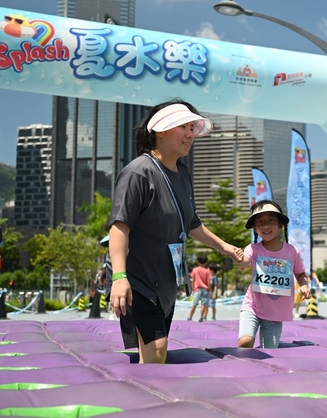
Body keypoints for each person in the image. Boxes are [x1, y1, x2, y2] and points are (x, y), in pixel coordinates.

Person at [108, 99, 244, 364]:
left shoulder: (182, 174)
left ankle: (140, 388)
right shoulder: (138, 172)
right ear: (160, 130)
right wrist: (119, 277)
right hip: (139, 280)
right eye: (183, 127)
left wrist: (226, 248)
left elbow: (191, 223)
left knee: (152, 353)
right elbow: (119, 226)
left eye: (193, 128)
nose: (190, 134)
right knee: (157, 349)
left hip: (167, 282)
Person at [237, 200, 310, 349]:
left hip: (275, 314)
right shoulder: (253, 249)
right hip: (252, 306)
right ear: (254, 227)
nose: (266, 225)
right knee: (245, 342)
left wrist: (303, 285)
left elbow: (300, 273)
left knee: (269, 350)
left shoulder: (291, 251)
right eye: (260, 222)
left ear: (280, 225)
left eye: (271, 220)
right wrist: (238, 258)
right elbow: (245, 261)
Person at [187, 254, 211, 322]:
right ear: (206, 262)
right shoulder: (207, 270)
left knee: (194, 304)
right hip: (205, 289)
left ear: (198, 261)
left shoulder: (195, 270)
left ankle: (190, 317)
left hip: (197, 289)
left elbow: (193, 280)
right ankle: (201, 317)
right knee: (204, 304)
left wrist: (192, 289)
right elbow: (208, 281)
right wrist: (209, 290)